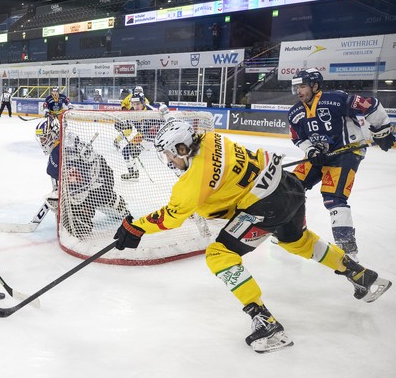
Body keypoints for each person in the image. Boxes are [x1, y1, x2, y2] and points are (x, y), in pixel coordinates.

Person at [113, 120, 392, 353]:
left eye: (170, 154)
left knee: (219, 254)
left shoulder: (191, 182)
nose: (168, 161)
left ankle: (265, 323)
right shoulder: (212, 137)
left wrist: (136, 227)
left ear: (183, 148)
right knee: (299, 241)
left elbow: (172, 216)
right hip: (287, 184)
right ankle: (361, 276)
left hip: (265, 206)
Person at [288, 68, 395, 261]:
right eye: (297, 87)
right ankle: (294, 231)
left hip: (346, 152)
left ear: (315, 85)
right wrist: (311, 150)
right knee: (290, 186)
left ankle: (349, 251)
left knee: (333, 198)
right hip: (320, 155)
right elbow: (297, 137)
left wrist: (383, 129)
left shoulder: (336, 100)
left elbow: (370, 104)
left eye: (303, 86)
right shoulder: (296, 112)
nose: (299, 91)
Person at [35, 117, 129, 239]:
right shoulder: (61, 147)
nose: (42, 142)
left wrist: (63, 198)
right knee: (71, 213)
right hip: (93, 179)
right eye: (41, 139)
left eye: (44, 138)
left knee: (78, 227)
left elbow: (80, 185)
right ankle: (106, 200)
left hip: (101, 181)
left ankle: (112, 200)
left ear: (54, 134)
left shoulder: (66, 151)